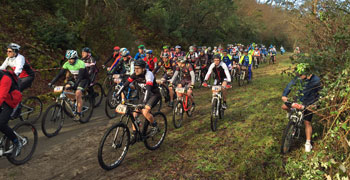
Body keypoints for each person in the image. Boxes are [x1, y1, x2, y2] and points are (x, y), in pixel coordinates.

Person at [116, 60, 160, 143]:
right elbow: (125, 84)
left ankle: (155, 126)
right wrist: (117, 94)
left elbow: (148, 89)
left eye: (138, 68)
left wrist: (143, 103)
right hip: (144, 94)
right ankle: (135, 134)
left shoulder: (149, 74)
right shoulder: (135, 74)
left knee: (145, 111)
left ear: (143, 69)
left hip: (153, 94)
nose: (135, 70)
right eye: (135, 68)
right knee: (135, 113)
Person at [281, 63, 321, 152]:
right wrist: (284, 95)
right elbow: (290, 84)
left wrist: (316, 104)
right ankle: (291, 114)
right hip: (299, 100)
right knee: (284, 106)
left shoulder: (316, 80)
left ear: (307, 74)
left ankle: (308, 143)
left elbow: (320, 93)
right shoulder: (299, 77)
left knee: (307, 123)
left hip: (310, 103)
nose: (298, 76)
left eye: (300, 75)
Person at [48, 50, 90, 121]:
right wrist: (51, 82)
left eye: (71, 59)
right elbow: (60, 74)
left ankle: (78, 114)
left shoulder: (80, 63)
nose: (69, 60)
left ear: (75, 58)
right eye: (68, 59)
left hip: (84, 79)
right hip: (75, 78)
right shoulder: (66, 64)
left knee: (78, 93)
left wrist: (75, 85)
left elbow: (80, 76)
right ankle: (74, 100)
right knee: (66, 88)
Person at [0, 70, 23, 158]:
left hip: (11, 101)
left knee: (1, 123)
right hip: (3, 99)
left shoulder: (5, 79)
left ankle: (17, 142)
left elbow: (2, 96)